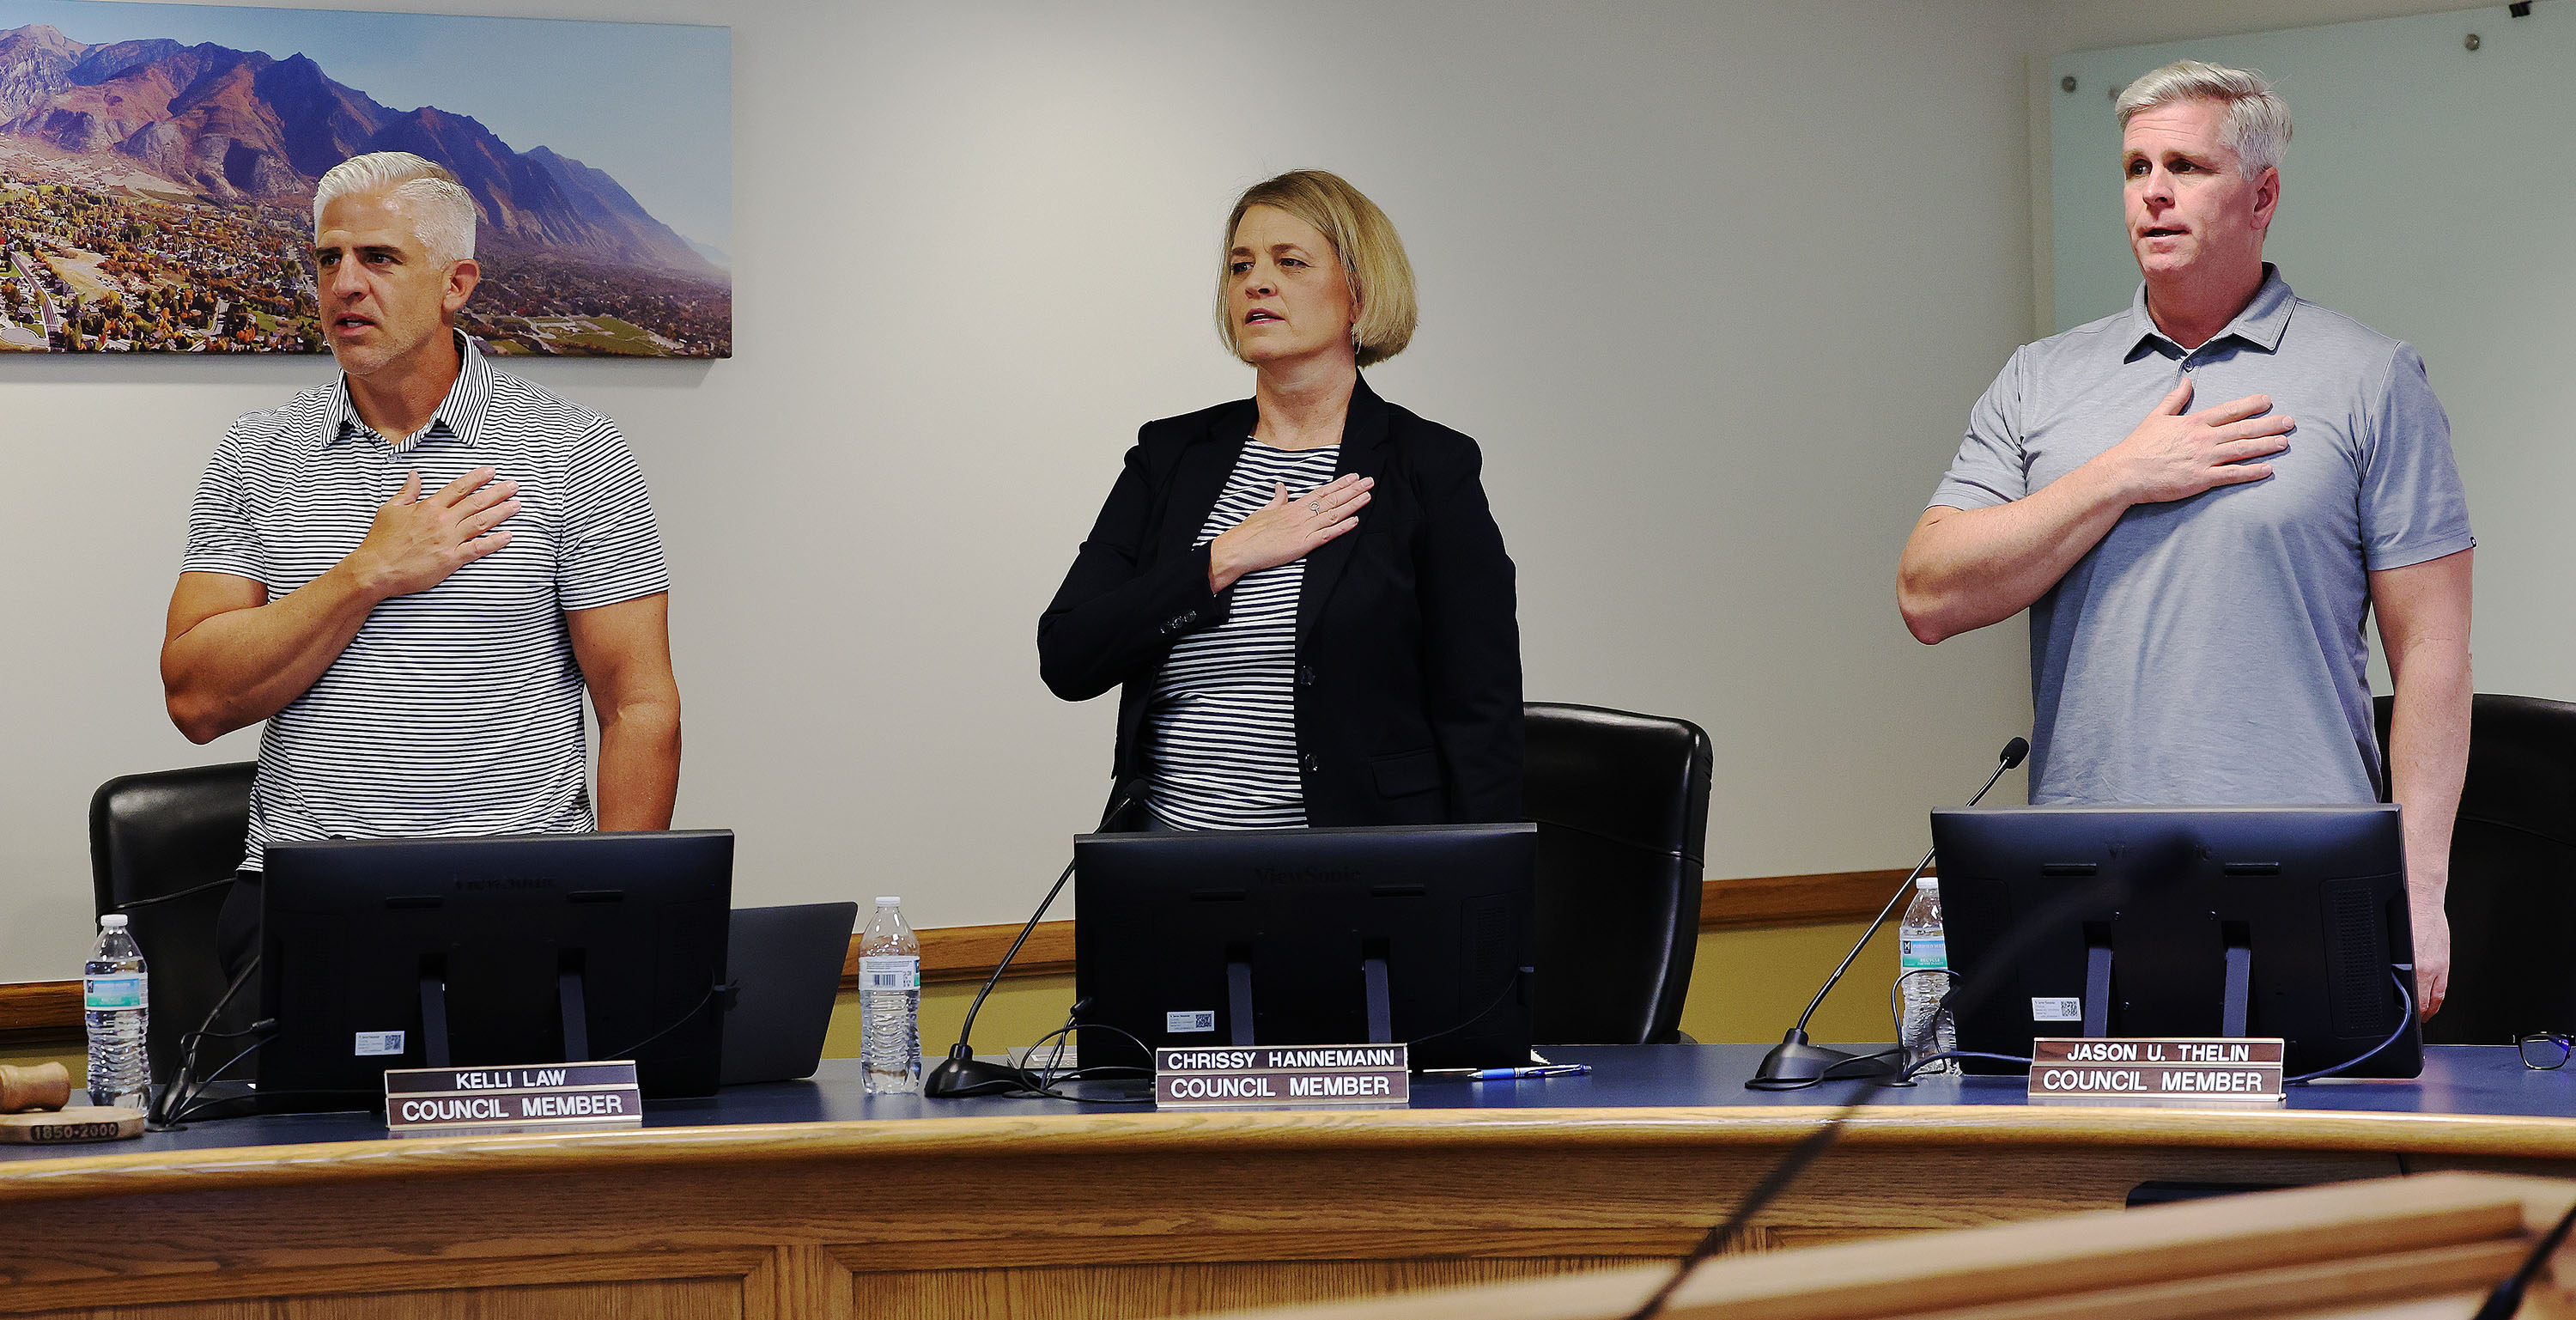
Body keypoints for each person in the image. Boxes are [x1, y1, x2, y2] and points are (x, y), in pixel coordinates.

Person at [1896, 62, 2473, 1018]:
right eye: (2136, 168)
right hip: (2082, 873)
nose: (2153, 193)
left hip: (2307, 866)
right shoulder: (2040, 380)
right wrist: (2122, 472)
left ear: (2263, 196)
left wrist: (2419, 887)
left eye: (2186, 167)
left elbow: (2435, 657)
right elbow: (1928, 593)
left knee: (2311, 1122)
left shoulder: (2372, 379)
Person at [161, 152, 681, 976]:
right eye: (328, 258)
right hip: (304, 898)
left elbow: (638, 706)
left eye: (379, 258)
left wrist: (613, 917)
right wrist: (367, 572)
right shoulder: (256, 453)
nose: (344, 284)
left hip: (523, 893)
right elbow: (195, 698)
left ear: (455, 285)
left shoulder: (573, 450)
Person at [1040, 169, 1521, 830]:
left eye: (1289, 262)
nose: (1255, 282)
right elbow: (1067, 654)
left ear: (1360, 293)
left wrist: (1482, 883)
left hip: (1352, 867)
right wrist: (1223, 557)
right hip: (1165, 858)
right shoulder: (1168, 455)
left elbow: (1481, 712)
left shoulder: (1430, 467)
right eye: (1241, 265)